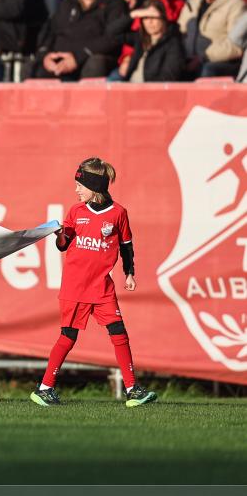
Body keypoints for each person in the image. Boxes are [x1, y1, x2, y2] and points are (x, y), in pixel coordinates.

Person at [31, 158, 157, 408]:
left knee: (119, 333)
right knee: (68, 337)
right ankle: (44, 388)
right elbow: (63, 245)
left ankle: (132, 389)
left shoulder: (119, 213)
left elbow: (126, 246)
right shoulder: (75, 212)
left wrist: (129, 273)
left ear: (94, 186)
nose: (76, 190)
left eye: (80, 185)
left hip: (102, 287)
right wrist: (61, 234)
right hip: (75, 287)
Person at [30, 0, 129, 80]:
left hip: (91, 57)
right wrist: (45, 55)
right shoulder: (67, 0)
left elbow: (113, 38)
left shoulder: (115, 3)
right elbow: (51, 29)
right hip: (61, 57)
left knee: (96, 64)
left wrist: (78, 57)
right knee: (33, 68)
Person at [178, 0, 246, 78]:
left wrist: (203, 57)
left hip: (217, 61)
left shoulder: (235, 6)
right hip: (188, 59)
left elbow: (235, 46)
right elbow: (179, 33)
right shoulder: (191, 4)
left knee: (207, 70)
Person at [119, 0, 186, 81]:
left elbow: (169, 77)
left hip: (148, 88)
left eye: (153, 17)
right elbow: (112, 34)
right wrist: (133, 14)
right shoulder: (140, 38)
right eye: (146, 17)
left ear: (163, 19)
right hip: (130, 85)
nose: (150, 22)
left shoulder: (173, 44)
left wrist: (144, 87)